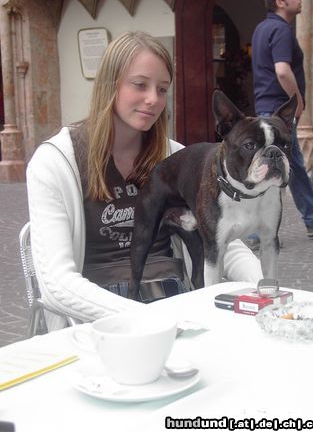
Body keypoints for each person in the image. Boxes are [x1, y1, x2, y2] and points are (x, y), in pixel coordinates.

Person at [27, 31, 263, 331]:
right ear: (110, 85)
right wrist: (149, 319)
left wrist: (265, 288)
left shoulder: (176, 157)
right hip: (97, 320)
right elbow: (56, 283)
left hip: (178, 304)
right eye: (140, 85)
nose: (153, 99)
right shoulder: (55, 163)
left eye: (162, 89)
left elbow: (224, 241)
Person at [248, 0, 313, 251]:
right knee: (272, 169)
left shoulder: (262, 28)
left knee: (294, 164)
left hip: (268, 108)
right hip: (279, 111)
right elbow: (283, 71)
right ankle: (259, 233)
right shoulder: (281, 29)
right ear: (280, 2)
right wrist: (297, 100)